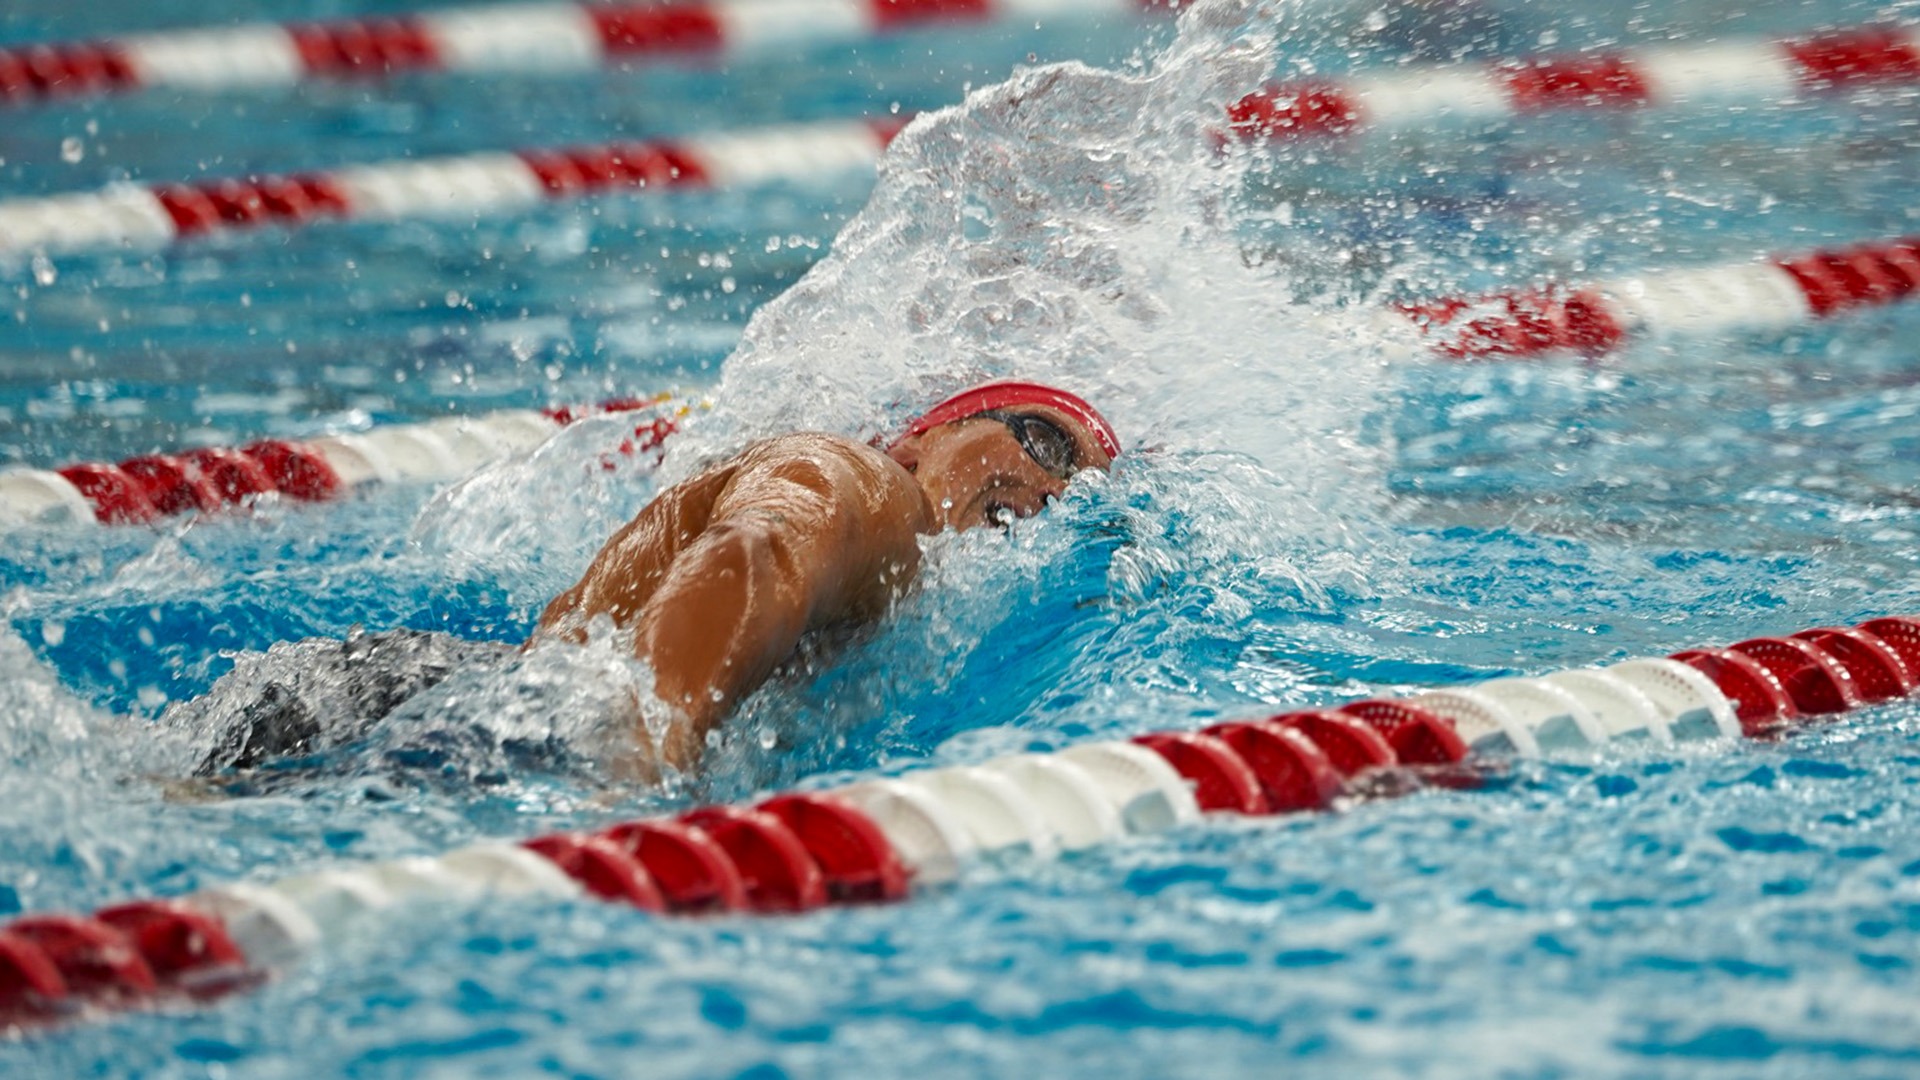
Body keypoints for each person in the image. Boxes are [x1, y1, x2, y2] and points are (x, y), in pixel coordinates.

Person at [178, 381, 1120, 783]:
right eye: (1039, 438)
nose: (1045, 485)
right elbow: (752, 552)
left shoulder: (916, 588)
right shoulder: (870, 487)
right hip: (460, 722)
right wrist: (638, 758)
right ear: (924, 435)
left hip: (433, 701)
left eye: (1073, 487)